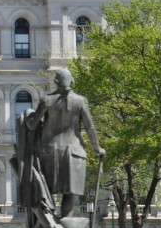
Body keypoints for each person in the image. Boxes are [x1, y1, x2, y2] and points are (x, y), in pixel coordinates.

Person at [23, 68, 106, 218]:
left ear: (56, 82)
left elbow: (31, 124)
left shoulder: (47, 100)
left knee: (46, 190)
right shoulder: (81, 101)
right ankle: (66, 222)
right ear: (72, 81)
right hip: (74, 151)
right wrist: (97, 148)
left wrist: (28, 115)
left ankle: (50, 224)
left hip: (49, 151)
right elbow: (90, 127)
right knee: (70, 192)